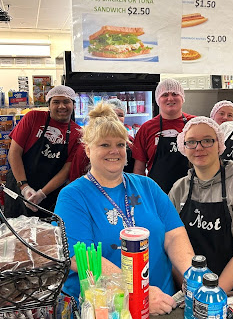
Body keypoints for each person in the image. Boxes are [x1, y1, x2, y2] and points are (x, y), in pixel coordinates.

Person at [55, 102, 194, 314]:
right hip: (109, 310)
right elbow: (80, 258)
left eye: (120, 144)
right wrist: (139, 293)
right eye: (104, 145)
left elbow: (174, 235)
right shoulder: (73, 196)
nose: (115, 151)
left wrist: (194, 277)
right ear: (88, 149)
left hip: (164, 304)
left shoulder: (147, 186)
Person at [169, 117, 233, 290]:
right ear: (184, 147)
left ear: (219, 144)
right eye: (191, 142)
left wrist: (210, 296)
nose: (199, 147)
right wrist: (188, 287)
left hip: (231, 291)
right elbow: (171, 244)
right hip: (189, 288)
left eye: (207, 140)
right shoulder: (179, 188)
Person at [4, 85, 82, 218]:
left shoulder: (78, 133)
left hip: (51, 193)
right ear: (49, 105)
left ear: (73, 105)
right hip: (20, 185)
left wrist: (42, 194)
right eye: (56, 102)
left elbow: (66, 169)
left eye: (66, 101)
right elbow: (14, 153)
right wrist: (25, 187)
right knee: (15, 232)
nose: (61, 106)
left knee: (48, 233)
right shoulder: (33, 118)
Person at [133, 79, 196, 194]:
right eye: (165, 95)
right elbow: (139, 169)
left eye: (175, 94)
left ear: (182, 98)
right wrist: (141, 194)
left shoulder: (195, 124)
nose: (170, 98)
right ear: (158, 99)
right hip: (157, 194)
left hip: (192, 193)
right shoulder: (146, 128)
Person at [69, 98, 135, 181]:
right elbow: (76, 173)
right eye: (105, 145)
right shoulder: (89, 142)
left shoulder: (131, 141)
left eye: (120, 145)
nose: (116, 118)